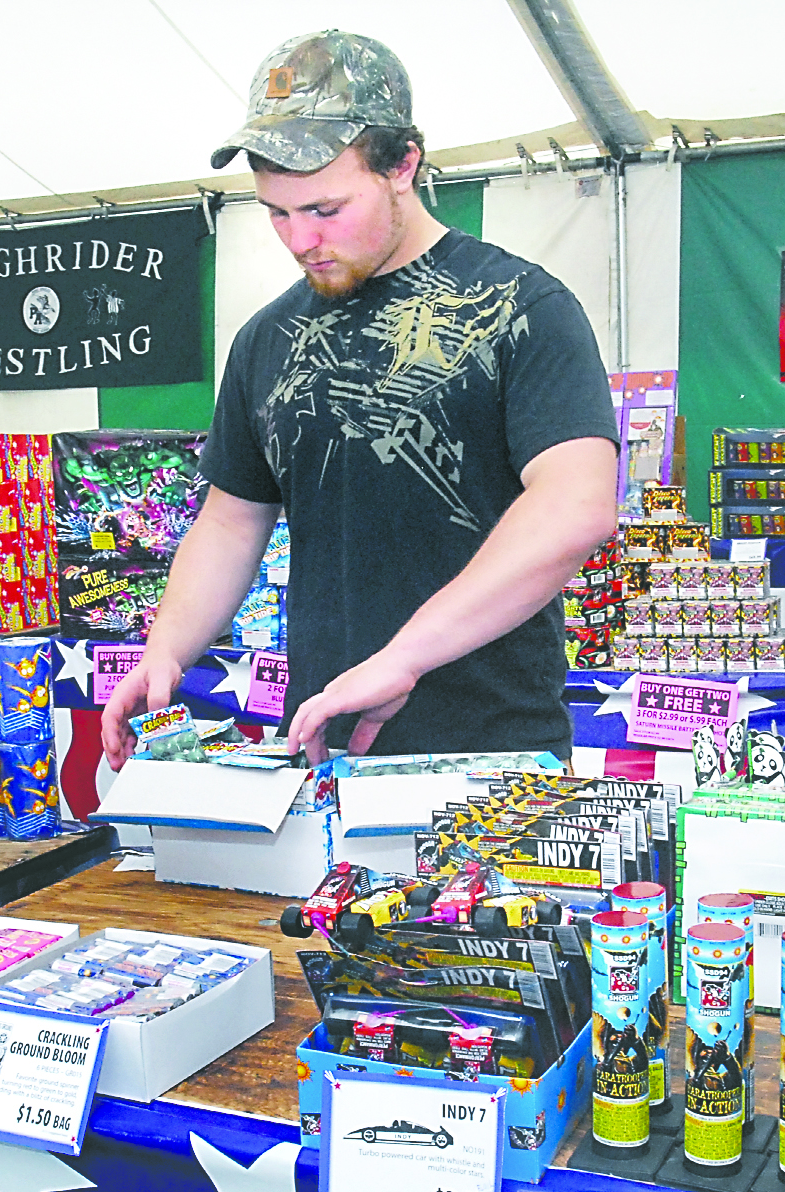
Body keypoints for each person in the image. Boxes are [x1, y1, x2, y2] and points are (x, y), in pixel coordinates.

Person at [100, 30, 620, 769]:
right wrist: (164, 650)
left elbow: (575, 506)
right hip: (325, 743)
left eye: (323, 208)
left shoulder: (520, 305)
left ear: (401, 164)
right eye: (276, 214)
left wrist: (404, 656)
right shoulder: (266, 338)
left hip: (493, 753)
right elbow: (230, 520)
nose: (299, 239)